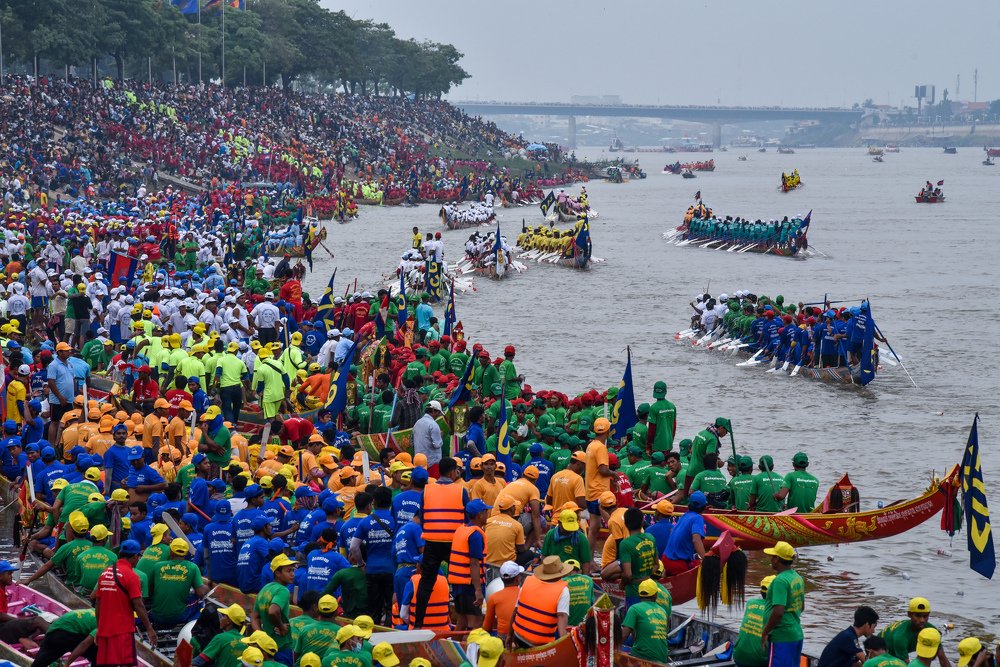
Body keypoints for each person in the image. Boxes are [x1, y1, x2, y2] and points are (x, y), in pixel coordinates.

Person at [412, 456, 467, 629]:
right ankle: (461, 621)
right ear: (452, 472)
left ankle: (419, 624)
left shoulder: (427, 490)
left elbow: (422, 516)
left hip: (432, 541)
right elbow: (467, 518)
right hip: (454, 543)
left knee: (426, 583)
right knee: (459, 580)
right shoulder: (461, 490)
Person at [94, 539, 157, 665]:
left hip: (105, 629)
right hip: (122, 630)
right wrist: (149, 629)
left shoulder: (105, 573)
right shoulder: (132, 576)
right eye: (138, 556)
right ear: (134, 556)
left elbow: (98, 604)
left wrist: (98, 628)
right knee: (126, 663)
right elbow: (138, 605)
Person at [508, 556, 571, 649]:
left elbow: (515, 611)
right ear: (561, 573)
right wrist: (564, 648)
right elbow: (562, 619)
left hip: (518, 637)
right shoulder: (563, 590)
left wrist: (509, 635)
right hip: (539, 644)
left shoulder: (528, 580)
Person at [761, 541, 805, 667]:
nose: (771, 559)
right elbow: (801, 607)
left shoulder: (780, 580)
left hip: (781, 637)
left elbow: (778, 612)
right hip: (796, 634)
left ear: (777, 560)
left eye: (773, 556)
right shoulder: (797, 577)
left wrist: (765, 632)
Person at [448, 499, 490, 631]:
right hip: (470, 585)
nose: (488, 514)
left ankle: (454, 650)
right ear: (480, 515)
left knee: (462, 620)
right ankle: (470, 651)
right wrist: (478, 590)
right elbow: (474, 563)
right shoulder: (475, 535)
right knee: (475, 623)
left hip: (458, 584)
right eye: (486, 511)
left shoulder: (460, 530)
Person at [149, 538, 209, 626]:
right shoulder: (192, 567)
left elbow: (150, 592)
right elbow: (201, 592)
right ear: (186, 553)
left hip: (156, 616)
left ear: (171, 551)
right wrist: (209, 586)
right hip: (180, 616)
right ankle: (193, 624)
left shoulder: (157, 566)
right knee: (201, 602)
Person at [252, 554, 298, 667]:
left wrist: (261, 635)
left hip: (266, 648)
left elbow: (254, 617)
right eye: (288, 571)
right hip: (282, 645)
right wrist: (281, 627)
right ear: (277, 573)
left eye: (293, 570)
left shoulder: (264, 589)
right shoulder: (283, 590)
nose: (292, 574)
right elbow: (273, 611)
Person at [880, 598, 951, 667]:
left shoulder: (931, 631)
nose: (922, 620)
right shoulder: (901, 637)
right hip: (880, 649)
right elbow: (905, 665)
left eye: (925, 616)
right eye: (918, 616)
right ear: (909, 614)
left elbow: (942, 658)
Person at [621, 579, 670, 663]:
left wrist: (611, 648)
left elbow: (624, 635)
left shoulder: (634, 609)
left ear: (639, 595)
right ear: (655, 595)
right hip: (662, 657)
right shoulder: (663, 611)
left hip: (643, 656)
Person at [661, 491, 708, 575]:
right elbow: (696, 540)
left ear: (689, 505)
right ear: (704, 507)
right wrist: (706, 560)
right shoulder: (698, 518)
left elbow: (672, 532)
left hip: (666, 558)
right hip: (677, 562)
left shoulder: (685, 515)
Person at [733, 576, 776, 667]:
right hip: (759, 662)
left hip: (738, 656)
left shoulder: (750, 603)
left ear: (761, 592)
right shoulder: (776, 611)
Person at [584, 417, 614, 547]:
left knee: (594, 528)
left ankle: (589, 559)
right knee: (613, 525)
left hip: (590, 491)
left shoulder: (591, 445)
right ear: (607, 432)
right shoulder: (601, 448)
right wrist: (614, 474)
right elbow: (603, 469)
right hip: (600, 493)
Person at [483, 561, 523, 641]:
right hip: (521, 637)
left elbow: (487, 627)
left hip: (504, 638)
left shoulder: (493, 597)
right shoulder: (525, 593)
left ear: (501, 579)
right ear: (517, 579)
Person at [411, 401, 444, 477]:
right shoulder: (433, 425)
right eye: (438, 413)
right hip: (432, 463)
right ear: (433, 411)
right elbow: (437, 444)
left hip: (418, 463)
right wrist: (441, 436)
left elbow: (412, 443)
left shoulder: (417, 423)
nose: (438, 415)